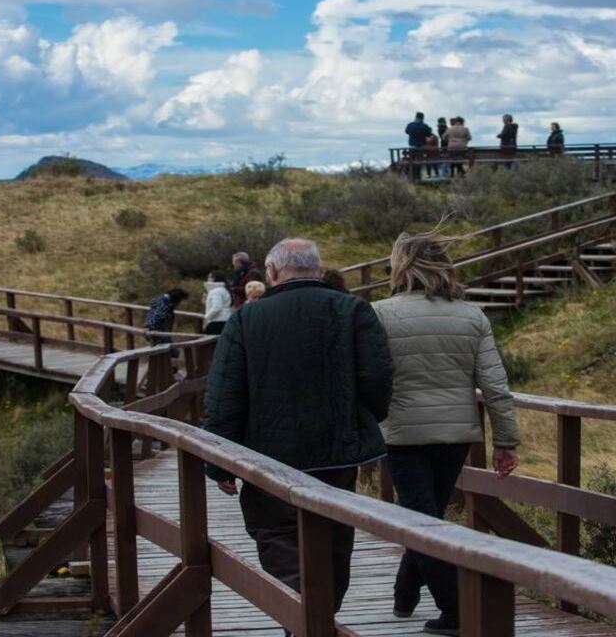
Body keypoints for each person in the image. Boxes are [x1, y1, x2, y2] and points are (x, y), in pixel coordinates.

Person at [203, 238, 394, 625]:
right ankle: (317, 615)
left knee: (275, 534)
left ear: (271, 273)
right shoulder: (353, 310)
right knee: (335, 536)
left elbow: (225, 393)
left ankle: (304, 615)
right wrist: (360, 418)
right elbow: (377, 377)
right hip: (337, 449)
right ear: (319, 271)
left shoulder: (246, 319)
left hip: (266, 454)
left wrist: (218, 462)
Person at [373, 229, 521, 636]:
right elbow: (494, 385)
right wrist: (506, 440)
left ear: (400, 265)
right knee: (427, 514)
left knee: (421, 518)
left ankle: (457, 611)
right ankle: (405, 591)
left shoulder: (379, 314)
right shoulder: (471, 316)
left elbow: (370, 377)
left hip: (401, 432)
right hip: (456, 433)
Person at [405, 112, 433, 181]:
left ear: (415, 117)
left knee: (412, 161)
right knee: (419, 161)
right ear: (422, 118)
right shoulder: (424, 126)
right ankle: (418, 177)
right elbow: (429, 134)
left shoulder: (410, 125)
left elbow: (406, 131)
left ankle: (413, 176)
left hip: (412, 146)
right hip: (421, 146)